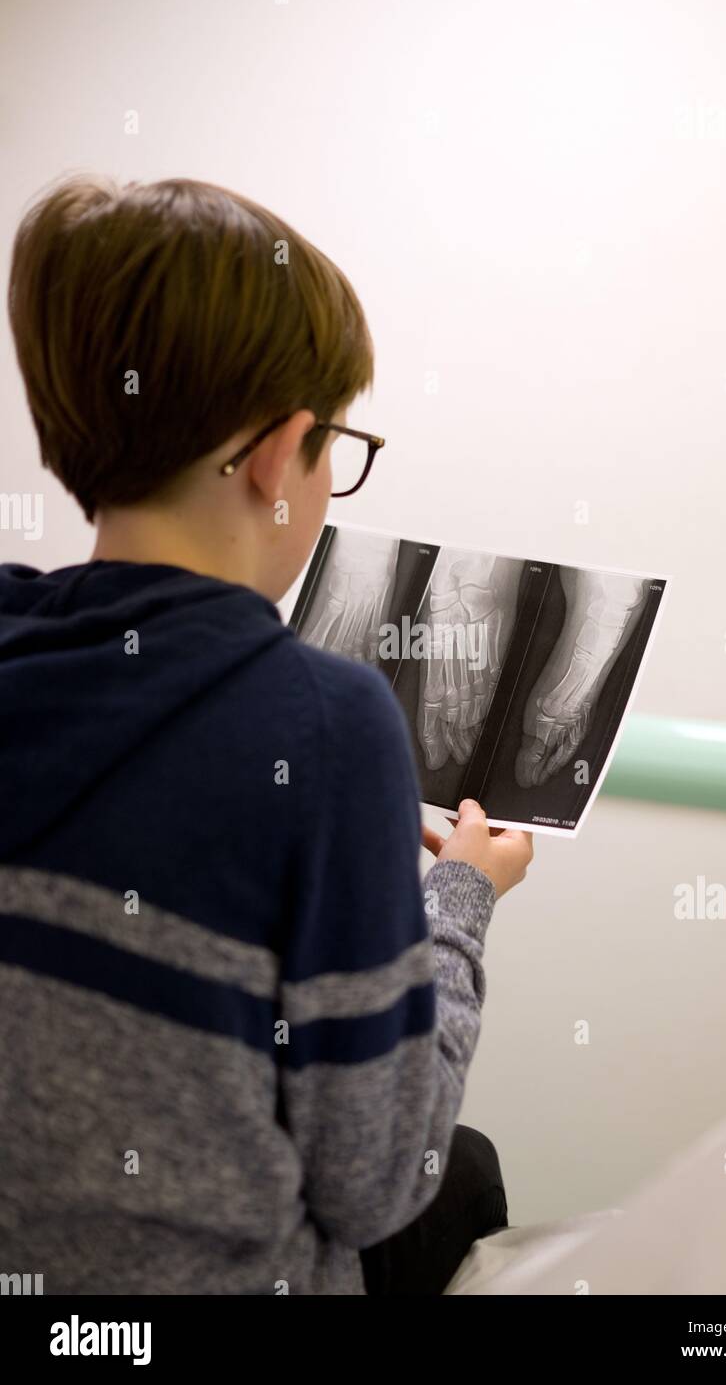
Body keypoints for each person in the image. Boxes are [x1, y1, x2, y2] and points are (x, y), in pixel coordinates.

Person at [0, 175, 533, 1295]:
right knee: (460, 1173)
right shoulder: (330, 722)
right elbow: (378, 1175)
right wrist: (463, 900)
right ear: (280, 450)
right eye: (338, 444)